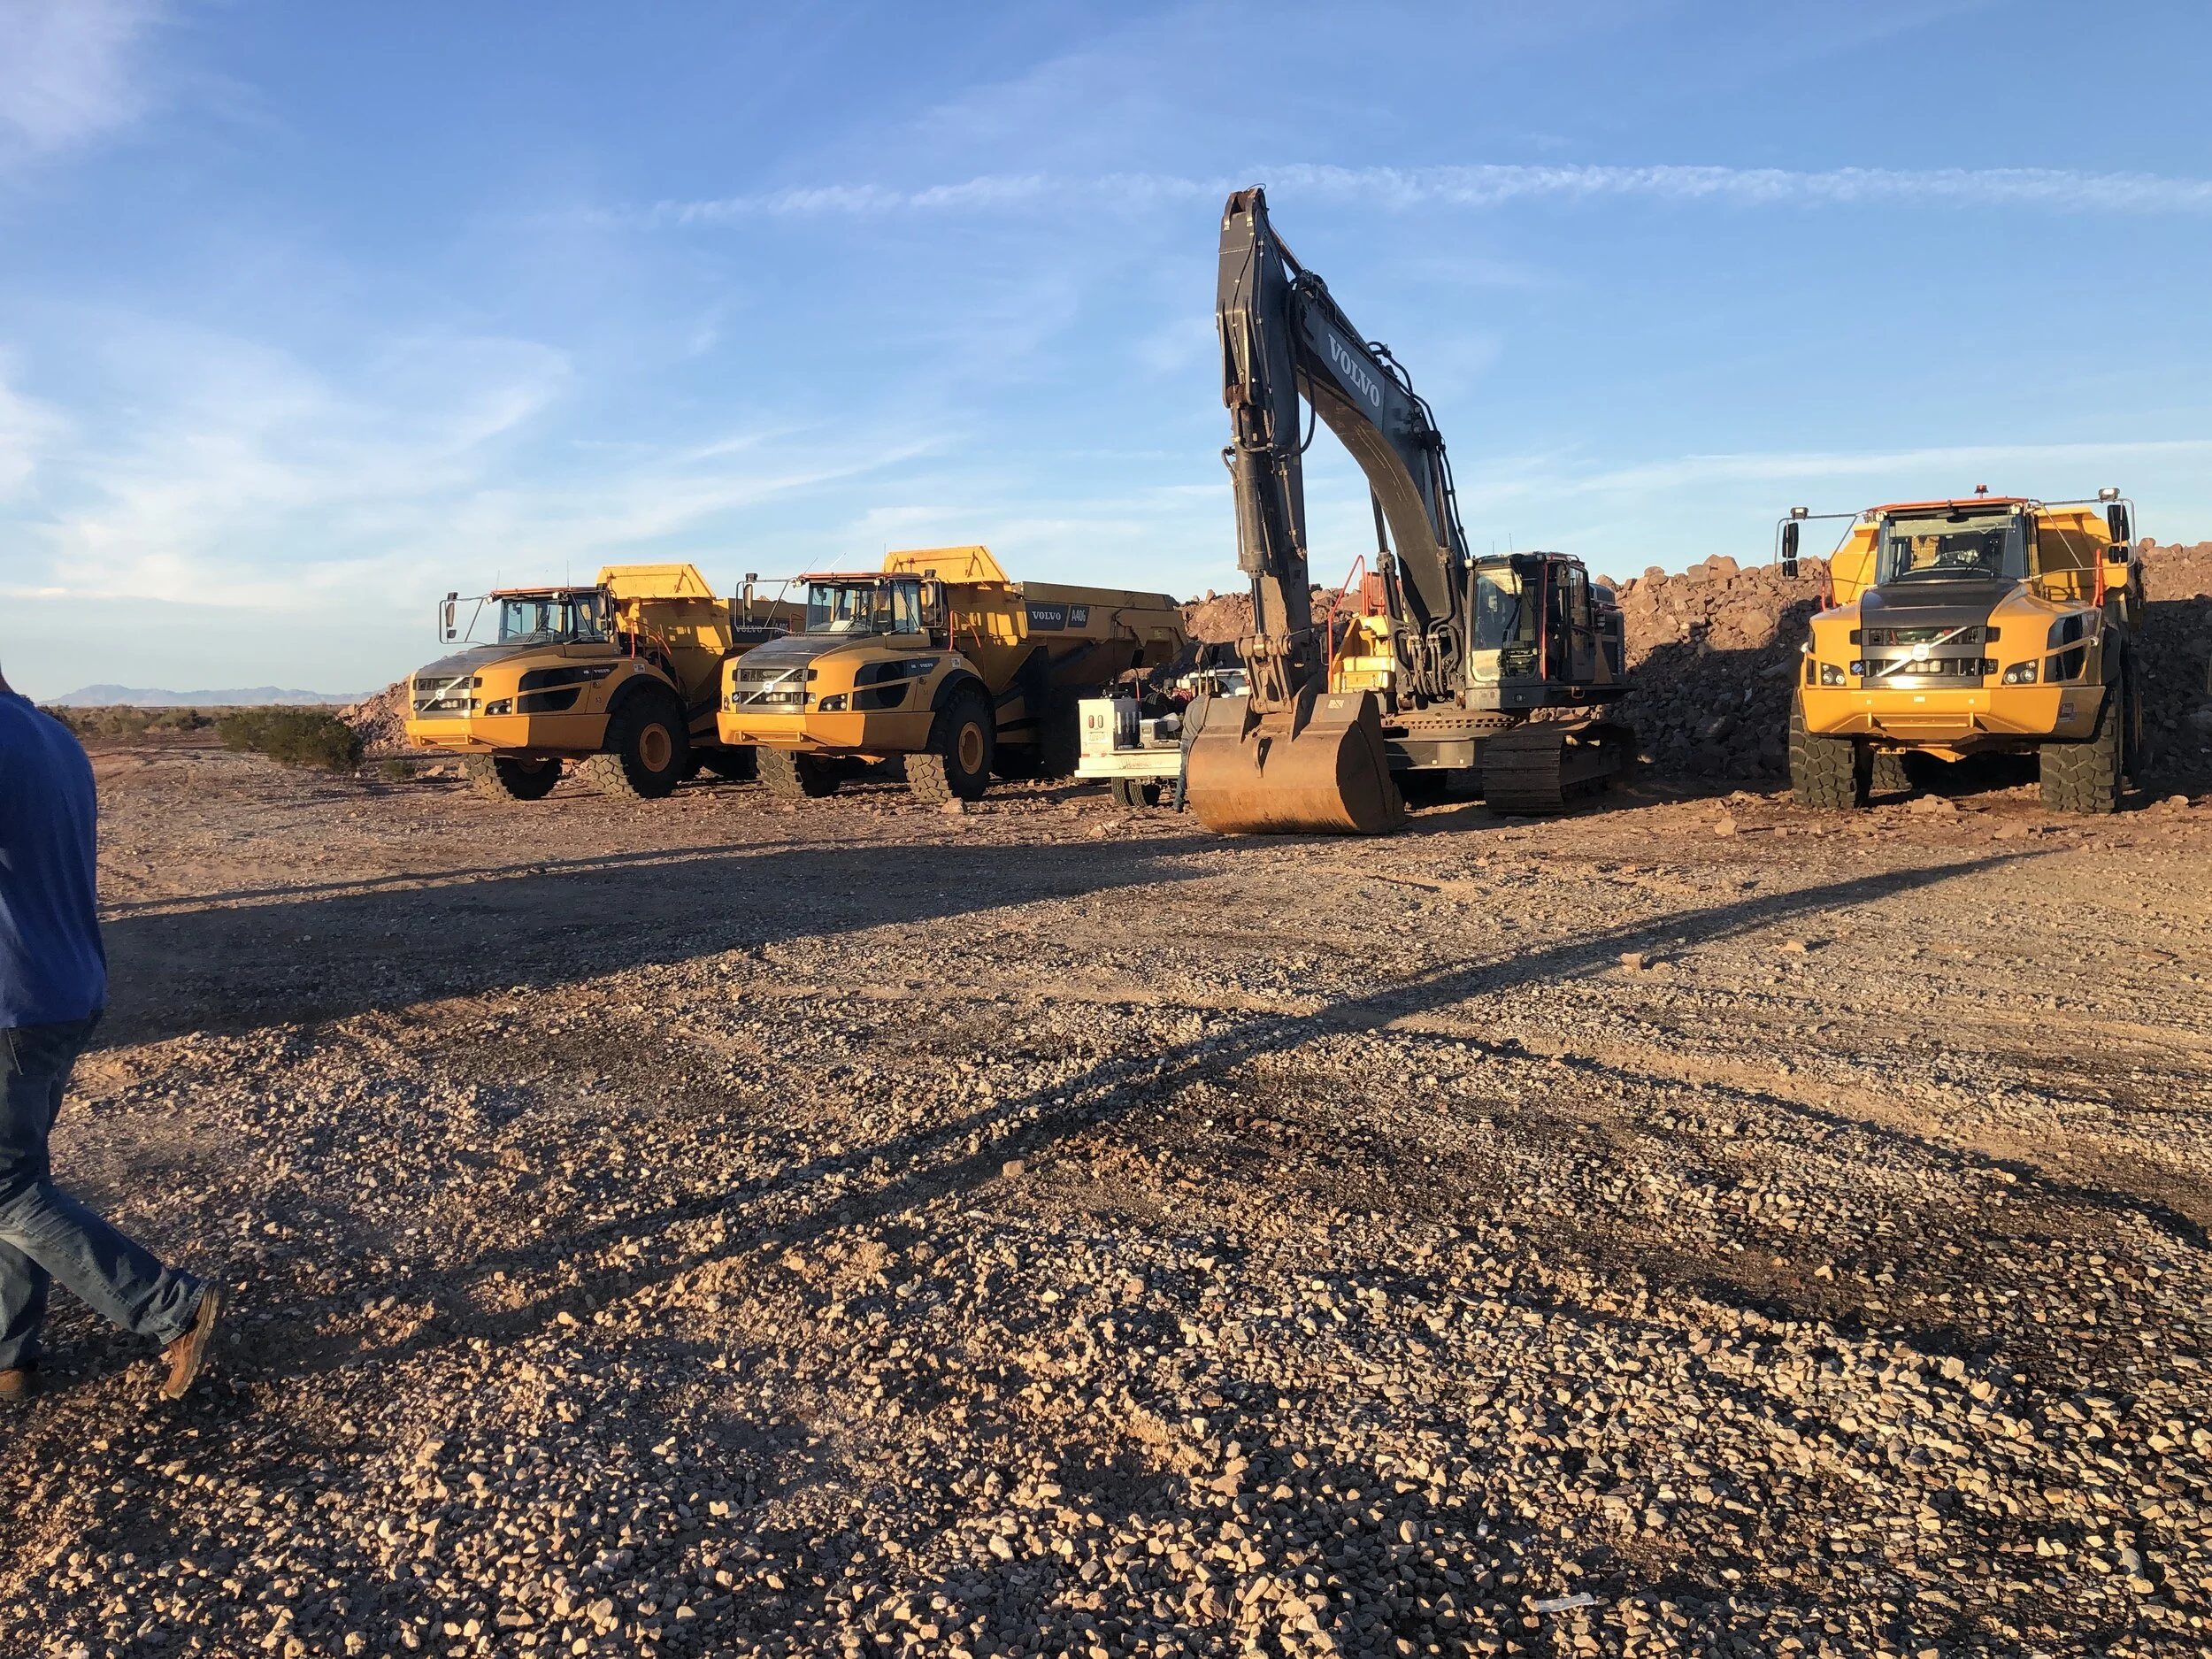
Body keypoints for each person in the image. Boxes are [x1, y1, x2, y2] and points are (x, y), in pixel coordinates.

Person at [0, 660, 220, 1403]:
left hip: (11, 1000)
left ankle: (172, 1307)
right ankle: (10, 1351)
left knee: (4, 1187)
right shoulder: (55, 738)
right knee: (17, 1174)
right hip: (65, 989)